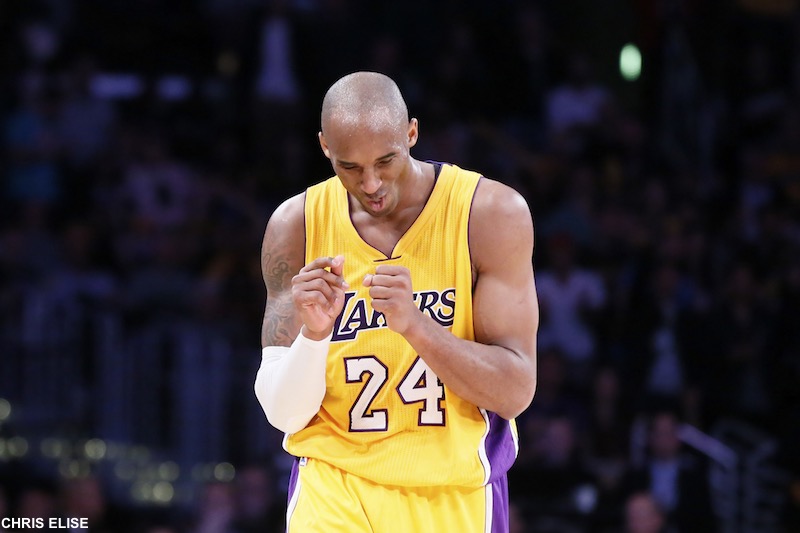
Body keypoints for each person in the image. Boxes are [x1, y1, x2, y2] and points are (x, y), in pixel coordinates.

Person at [254, 71, 539, 532]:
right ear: (325, 146)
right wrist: (314, 335)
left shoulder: (489, 214)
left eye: (386, 161)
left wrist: (417, 327)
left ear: (412, 133)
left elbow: (514, 391)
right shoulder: (296, 224)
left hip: (453, 491)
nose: (370, 184)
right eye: (349, 167)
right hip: (335, 486)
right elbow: (284, 414)